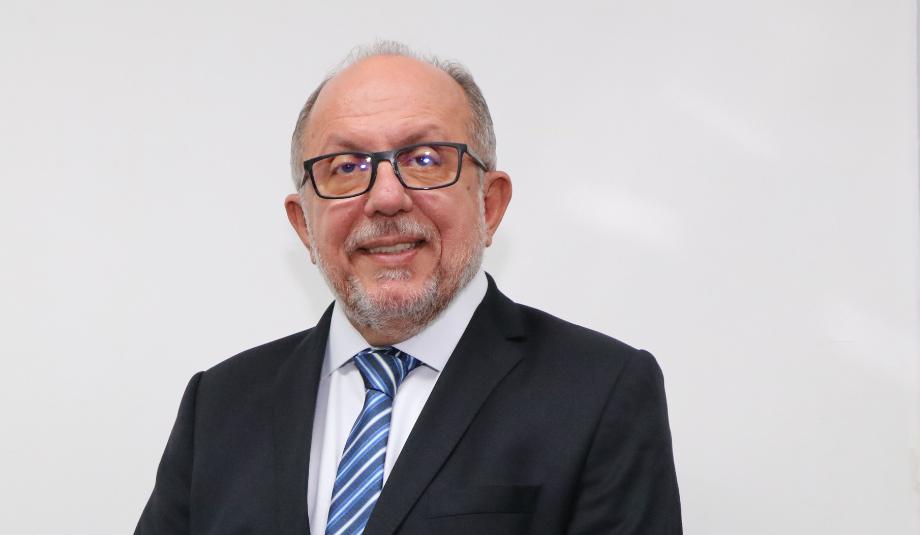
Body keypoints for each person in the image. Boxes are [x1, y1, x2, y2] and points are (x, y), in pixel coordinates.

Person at [135, 41, 682, 535]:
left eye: (424, 160)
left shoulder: (599, 392)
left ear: (490, 205)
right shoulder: (220, 404)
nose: (386, 198)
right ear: (303, 224)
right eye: (346, 166)